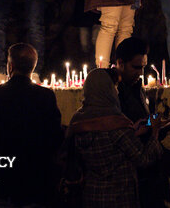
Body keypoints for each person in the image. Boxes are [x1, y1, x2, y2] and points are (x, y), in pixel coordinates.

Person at [0, 43, 63, 208]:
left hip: (3, 182)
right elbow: (56, 137)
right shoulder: (46, 96)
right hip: (35, 182)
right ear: (33, 67)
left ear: (10, 66)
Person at [67, 68, 163, 208]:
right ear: (107, 89)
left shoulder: (77, 120)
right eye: (114, 87)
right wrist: (155, 132)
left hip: (91, 195)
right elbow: (144, 159)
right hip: (119, 197)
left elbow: (103, 143)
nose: (117, 91)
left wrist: (133, 131)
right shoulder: (117, 124)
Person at [114, 36, 169, 207]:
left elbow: (146, 116)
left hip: (147, 168)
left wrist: (156, 120)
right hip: (127, 173)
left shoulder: (137, 87)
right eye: (136, 67)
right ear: (120, 63)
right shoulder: (113, 92)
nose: (140, 73)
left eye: (143, 67)